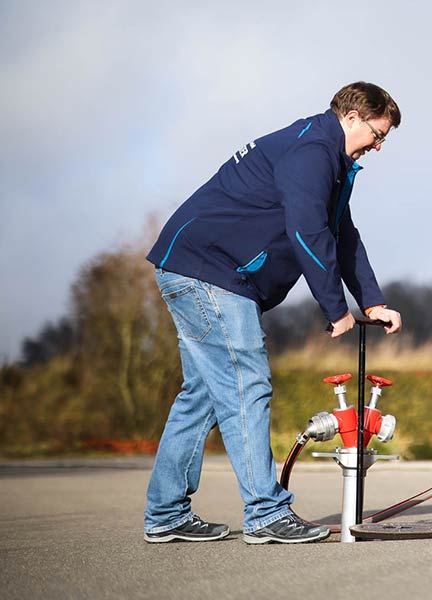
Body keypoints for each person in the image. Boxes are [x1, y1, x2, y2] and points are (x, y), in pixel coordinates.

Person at [142, 82, 402, 544]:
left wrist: (372, 301)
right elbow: (307, 231)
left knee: (202, 395)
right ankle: (265, 512)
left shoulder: (328, 157)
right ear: (352, 118)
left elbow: (341, 232)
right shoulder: (312, 153)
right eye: (377, 135)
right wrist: (335, 308)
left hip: (198, 268)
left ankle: (165, 513)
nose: (378, 147)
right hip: (210, 270)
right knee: (247, 384)